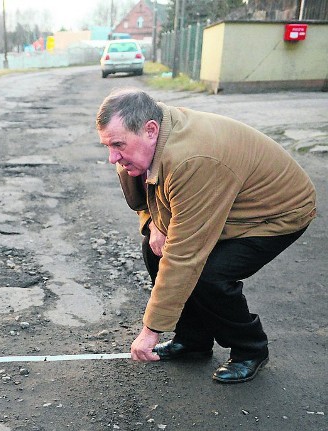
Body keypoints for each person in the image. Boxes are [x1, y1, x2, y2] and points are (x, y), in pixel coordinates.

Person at [96, 88, 316, 383]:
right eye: (107, 146)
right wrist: (153, 223)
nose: (112, 158)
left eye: (118, 145)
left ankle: (250, 349)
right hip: (224, 200)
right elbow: (142, 201)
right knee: (154, 249)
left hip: (275, 212)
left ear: (150, 130)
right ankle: (193, 341)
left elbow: (186, 255)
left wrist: (150, 330)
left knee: (209, 274)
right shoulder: (144, 140)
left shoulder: (192, 158)